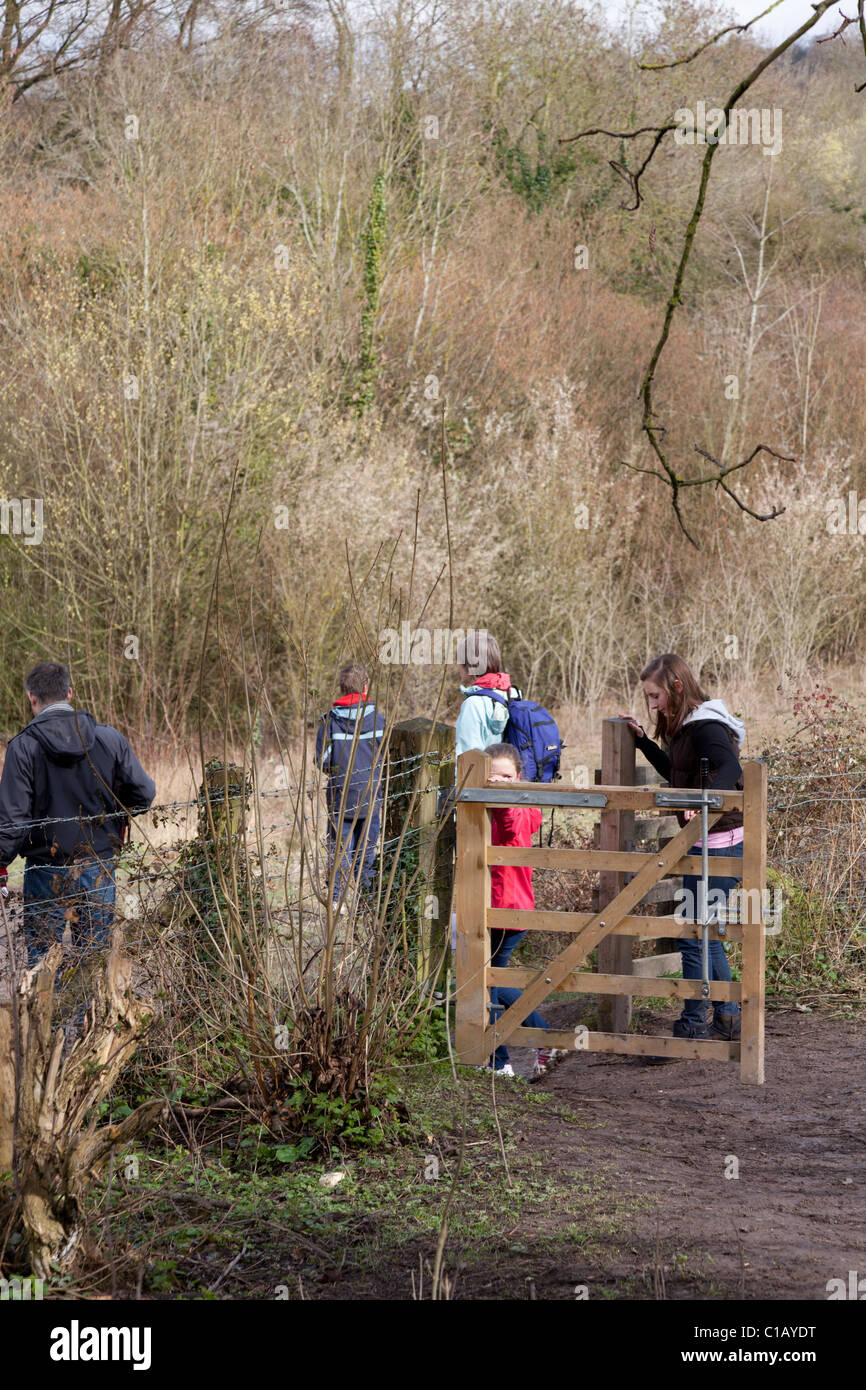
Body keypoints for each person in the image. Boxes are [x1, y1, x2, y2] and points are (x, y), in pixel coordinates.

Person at [620, 653, 745, 1042]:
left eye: (655, 696)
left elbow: (732, 771)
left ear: (676, 687)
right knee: (702, 932)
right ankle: (727, 1015)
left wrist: (699, 801)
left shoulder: (707, 726)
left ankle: (694, 1022)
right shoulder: (687, 726)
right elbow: (677, 771)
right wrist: (643, 742)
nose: (653, 704)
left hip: (717, 844)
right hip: (705, 841)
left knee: (692, 935)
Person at [0, 661, 156, 968]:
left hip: (46, 868)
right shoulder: (108, 739)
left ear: (32, 697)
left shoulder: (23, 747)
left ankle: (49, 1017)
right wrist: (112, 815)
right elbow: (144, 793)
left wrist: (1, 859)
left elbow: (12, 820)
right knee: (94, 961)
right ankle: (88, 1017)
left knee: (43, 962)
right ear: (70, 692)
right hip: (99, 863)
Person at [481, 743, 566, 1080]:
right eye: (492, 775)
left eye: (506, 775)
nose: (499, 781)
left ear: (519, 777)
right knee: (489, 981)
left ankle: (505, 1059)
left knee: (486, 983)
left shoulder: (517, 808)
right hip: (498, 907)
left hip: (507, 910)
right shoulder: (489, 805)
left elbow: (511, 822)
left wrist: (497, 794)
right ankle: (524, 1049)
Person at [315, 662, 386, 909]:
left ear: (342, 689)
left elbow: (322, 761)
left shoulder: (329, 722)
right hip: (371, 797)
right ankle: (367, 901)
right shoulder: (379, 720)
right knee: (366, 852)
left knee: (339, 851)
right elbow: (386, 757)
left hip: (340, 797)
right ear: (365, 687)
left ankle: (336, 902)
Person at [455, 633, 519, 757]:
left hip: (484, 775)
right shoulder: (512, 693)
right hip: (507, 775)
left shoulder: (473, 704)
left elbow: (468, 757)